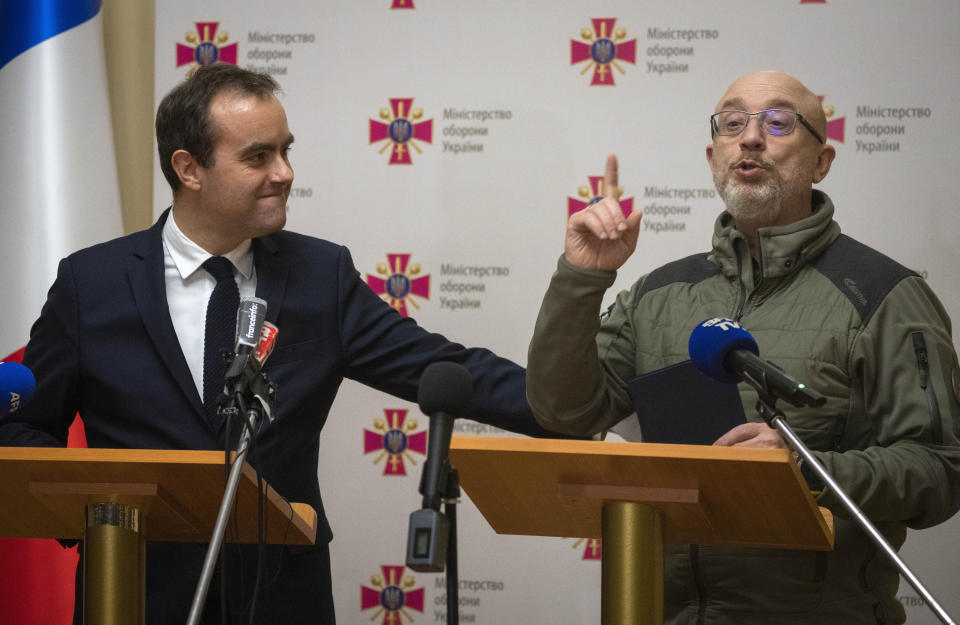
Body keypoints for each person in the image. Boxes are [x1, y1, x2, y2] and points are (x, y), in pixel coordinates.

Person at [0, 64, 561, 624]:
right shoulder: (90, 284)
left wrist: (585, 405)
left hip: (280, 598)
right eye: (258, 156)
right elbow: (24, 427)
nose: (285, 172)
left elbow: (447, 369)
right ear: (189, 168)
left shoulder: (321, 276)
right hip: (133, 591)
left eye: (286, 151)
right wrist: (93, 514)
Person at [526, 70, 960, 624]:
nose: (750, 137)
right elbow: (564, 413)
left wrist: (803, 468)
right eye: (734, 123)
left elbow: (939, 472)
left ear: (822, 161)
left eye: (778, 122)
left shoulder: (885, 294)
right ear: (714, 156)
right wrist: (581, 278)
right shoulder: (658, 294)